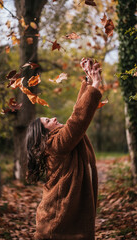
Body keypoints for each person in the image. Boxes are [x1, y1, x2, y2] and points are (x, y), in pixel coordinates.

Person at [26, 58, 102, 240]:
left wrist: (89, 81)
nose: (52, 118)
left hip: (62, 219)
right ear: (43, 134)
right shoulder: (54, 145)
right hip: (56, 221)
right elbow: (77, 121)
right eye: (47, 121)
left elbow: (77, 115)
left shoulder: (60, 140)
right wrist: (95, 86)